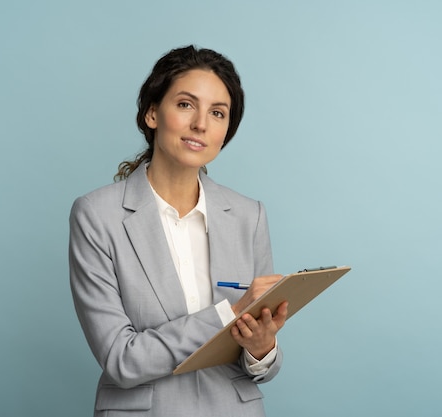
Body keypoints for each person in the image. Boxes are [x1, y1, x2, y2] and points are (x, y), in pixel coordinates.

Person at [69, 45, 289, 417]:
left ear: (225, 132)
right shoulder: (96, 215)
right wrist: (229, 315)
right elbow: (121, 360)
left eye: (217, 113)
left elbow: (261, 365)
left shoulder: (249, 215)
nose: (201, 124)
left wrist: (262, 348)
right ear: (152, 113)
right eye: (186, 105)